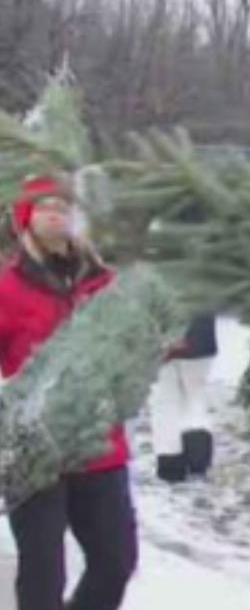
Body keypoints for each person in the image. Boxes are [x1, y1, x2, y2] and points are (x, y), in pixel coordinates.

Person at [0, 176, 138, 610]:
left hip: (99, 445)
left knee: (116, 560)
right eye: (44, 206)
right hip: (35, 450)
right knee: (44, 572)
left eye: (63, 205)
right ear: (27, 219)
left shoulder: (104, 282)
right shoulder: (8, 287)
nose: (55, 213)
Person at [150, 313, 218, 483]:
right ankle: (198, 458)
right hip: (200, 340)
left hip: (159, 341)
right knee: (196, 397)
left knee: (164, 402)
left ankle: (170, 463)